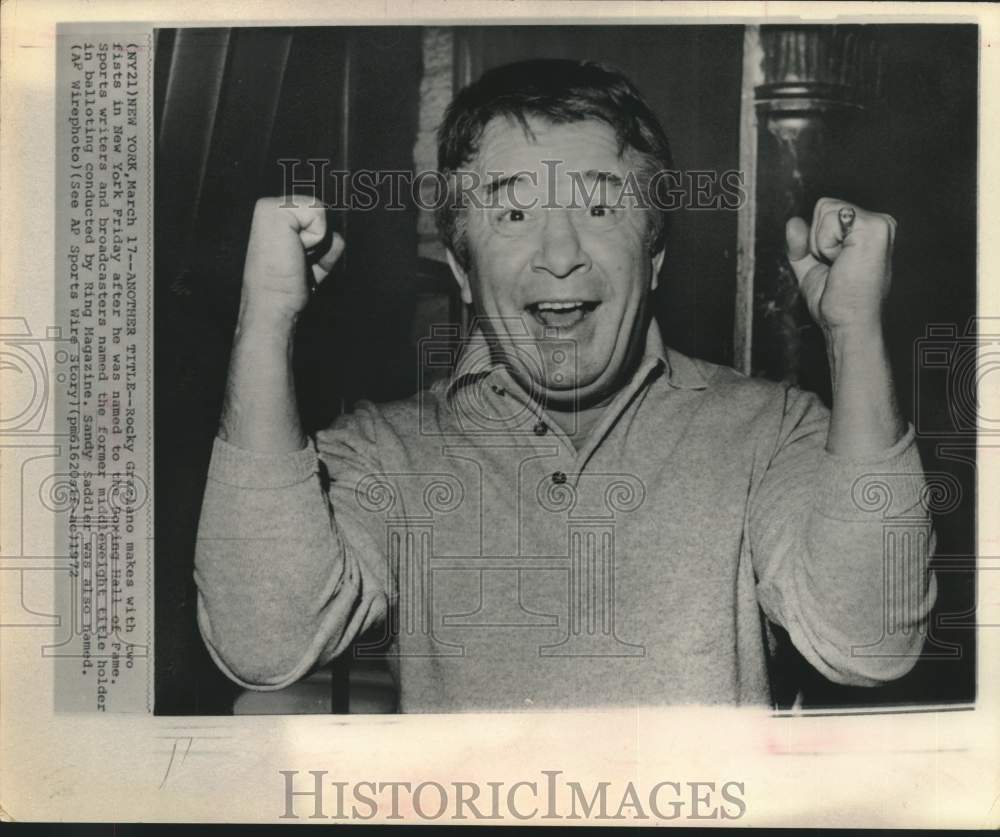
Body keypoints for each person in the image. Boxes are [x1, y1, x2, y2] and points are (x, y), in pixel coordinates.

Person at [194, 59, 936, 711]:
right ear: (460, 268)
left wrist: (853, 332)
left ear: (654, 255)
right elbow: (264, 641)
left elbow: (872, 640)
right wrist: (263, 319)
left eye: (600, 208)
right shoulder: (387, 452)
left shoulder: (771, 431)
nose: (559, 255)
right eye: (513, 212)